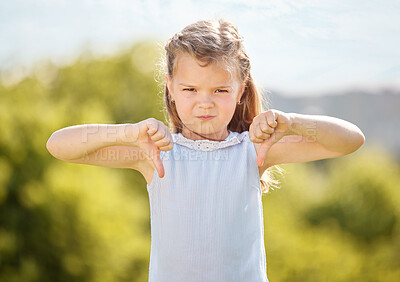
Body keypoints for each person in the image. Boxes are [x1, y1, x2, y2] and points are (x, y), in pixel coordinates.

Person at [46, 19, 365, 282]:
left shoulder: (253, 150)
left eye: (220, 90)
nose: (205, 102)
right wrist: (128, 132)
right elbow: (59, 146)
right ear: (170, 86)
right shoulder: (155, 152)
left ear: (241, 89)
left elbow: (351, 140)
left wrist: (292, 122)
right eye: (190, 89)